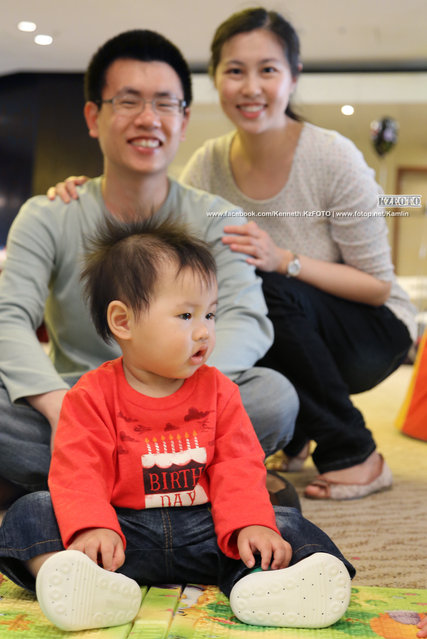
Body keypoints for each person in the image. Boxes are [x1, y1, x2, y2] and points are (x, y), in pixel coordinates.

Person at [51, 10, 416, 502]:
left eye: (267, 70)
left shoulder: (333, 156)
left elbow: (378, 286)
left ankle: (355, 451)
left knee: (258, 286)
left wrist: (284, 259)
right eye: (235, 71)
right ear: (216, 78)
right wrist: (88, 190)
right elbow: (166, 230)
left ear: (293, 77)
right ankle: (295, 435)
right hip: (290, 325)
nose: (250, 87)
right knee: (222, 305)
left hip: (370, 330)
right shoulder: (209, 163)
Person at [0, 219, 354, 632]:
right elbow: (79, 470)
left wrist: (251, 524)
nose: (204, 330)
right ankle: (80, 580)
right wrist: (93, 527)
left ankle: (263, 585)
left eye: (210, 313)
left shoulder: (221, 392)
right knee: (32, 511)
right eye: (186, 315)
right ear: (123, 321)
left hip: (205, 529)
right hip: (120, 535)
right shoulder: (91, 394)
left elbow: (238, 466)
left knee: (284, 522)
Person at [0, 28, 300, 510]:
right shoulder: (49, 214)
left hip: (189, 398)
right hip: (80, 398)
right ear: (94, 117)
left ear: (184, 120)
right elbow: (9, 317)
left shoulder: (218, 217)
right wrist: (60, 407)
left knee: (274, 397)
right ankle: (191, 478)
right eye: (128, 101)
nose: (148, 118)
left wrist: (185, 394)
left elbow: (246, 317)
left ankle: (76, 478)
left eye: (165, 103)